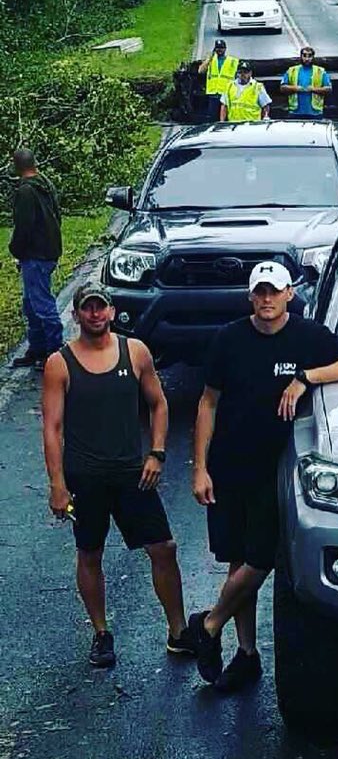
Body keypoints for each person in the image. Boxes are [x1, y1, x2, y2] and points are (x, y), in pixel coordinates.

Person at [188, 261, 338, 693]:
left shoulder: (307, 337)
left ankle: (209, 623)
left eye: (275, 292)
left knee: (261, 558)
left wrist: (304, 379)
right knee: (238, 561)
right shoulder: (229, 339)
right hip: (230, 466)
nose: (267, 300)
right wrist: (200, 468)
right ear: (250, 296)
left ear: (290, 293)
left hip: (279, 473)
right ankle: (246, 653)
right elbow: (207, 403)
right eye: (260, 293)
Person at [40, 284, 194, 668]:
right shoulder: (60, 363)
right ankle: (101, 633)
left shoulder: (135, 351)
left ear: (111, 311)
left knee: (163, 548)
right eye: (87, 309)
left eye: (101, 307)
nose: (95, 314)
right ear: (76, 315)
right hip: (86, 477)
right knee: (89, 553)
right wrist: (58, 485)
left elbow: (158, 404)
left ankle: (178, 631)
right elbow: (52, 428)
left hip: (132, 473)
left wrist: (157, 453)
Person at [9, 149, 63, 369]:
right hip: (48, 250)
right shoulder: (45, 184)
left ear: (16, 166)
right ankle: (37, 349)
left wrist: (16, 250)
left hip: (36, 255)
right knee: (30, 304)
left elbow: (24, 227)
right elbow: (57, 215)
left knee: (41, 304)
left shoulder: (25, 192)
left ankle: (55, 351)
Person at [279, 46, 332, 118]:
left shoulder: (320, 71)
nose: (307, 59)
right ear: (301, 56)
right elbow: (282, 88)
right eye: (304, 55)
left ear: (313, 57)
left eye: (309, 56)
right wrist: (296, 88)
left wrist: (313, 89)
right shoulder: (292, 70)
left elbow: (328, 89)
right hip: (295, 112)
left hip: (315, 113)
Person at [197, 39, 238, 122]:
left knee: (226, 118)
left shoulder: (232, 61)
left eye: (221, 48)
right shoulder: (211, 60)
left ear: (225, 49)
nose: (220, 50)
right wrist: (208, 59)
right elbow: (200, 71)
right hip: (213, 94)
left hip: (226, 93)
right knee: (213, 118)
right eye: (218, 48)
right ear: (215, 49)